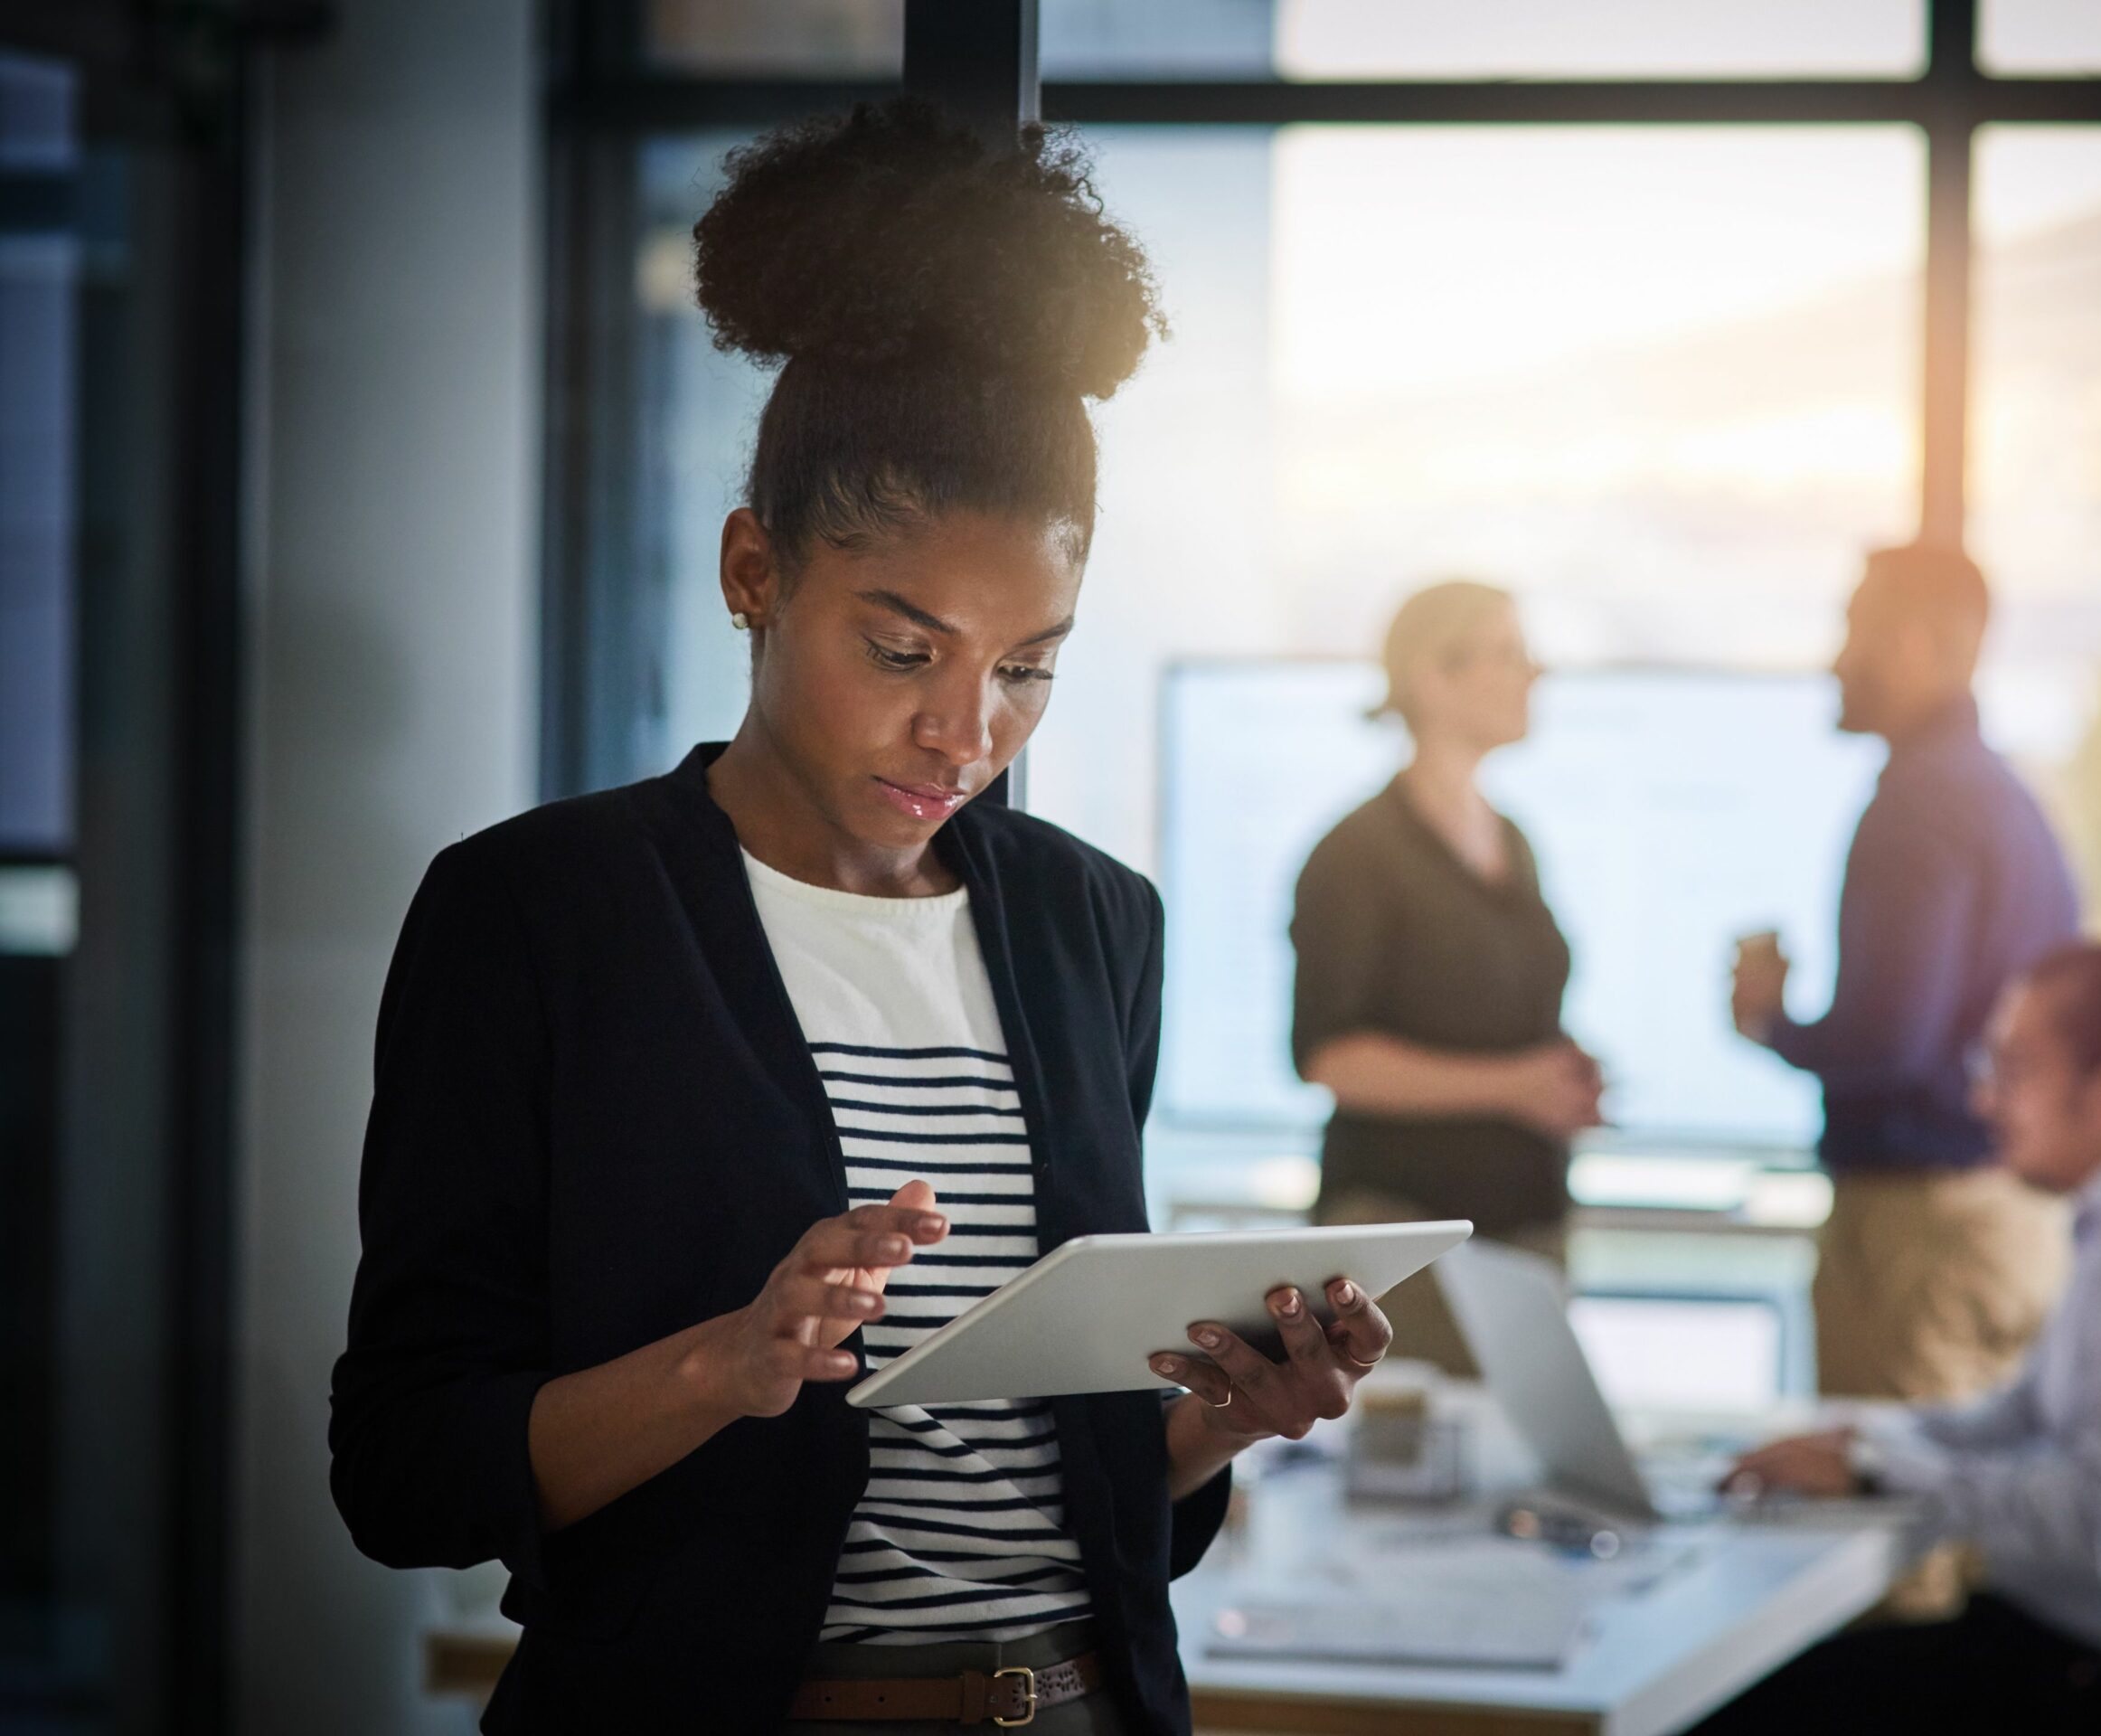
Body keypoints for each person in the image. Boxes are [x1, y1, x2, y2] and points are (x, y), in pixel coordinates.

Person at [327, 102, 1393, 1736]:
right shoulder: (541, 915)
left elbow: (1083, 1489)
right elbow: (406, 1473)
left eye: (1028, 665)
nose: (966, 733)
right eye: (905, 652)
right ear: (756, 569)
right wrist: (728, 1367)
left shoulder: (1092, 924)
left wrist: (1220, 1417)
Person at [1691, 944, 2101, 1736]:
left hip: (2094, 1682)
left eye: (2013, 1070)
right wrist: (1870, 1443)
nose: (1983, 1100)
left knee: (1735, 1711)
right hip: (2065, 1648)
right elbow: (2025, 1414)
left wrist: (1884, 1472)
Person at [1732, 542, 2077, 1408]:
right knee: (1974, 1519)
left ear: (1916, 644)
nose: (1837, 659)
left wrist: (1771, 1017)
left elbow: (1888, 1043)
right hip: (2007, 1217)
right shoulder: (2005, 796)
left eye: (1856, 629)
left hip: (1920, 1229)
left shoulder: (1919, 805)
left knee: (1896, 1522)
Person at [1288, 581, 1600, 1372]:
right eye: (1509, 654)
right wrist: (1513, 1085)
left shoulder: (1514, 841)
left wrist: (1558, 1078)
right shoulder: (1356, 853)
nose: (1534, 675)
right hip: (1406, 1243)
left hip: (1526, 1230)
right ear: (1432, 676)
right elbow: (1332, 1058)